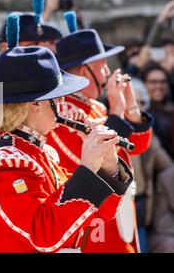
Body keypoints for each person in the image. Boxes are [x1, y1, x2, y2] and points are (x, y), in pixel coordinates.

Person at [0, 15, 133, 252]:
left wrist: (107, 166)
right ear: (34, 104)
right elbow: (44, 235)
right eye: (55, 96)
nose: (63, 101)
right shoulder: (6, 164)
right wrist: (86, 168)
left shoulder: (39, 153)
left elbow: (100, 213)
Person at [46, 13, 153, 252]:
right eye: (102, 66)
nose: (107, 73)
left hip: (118, 209)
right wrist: (116, 112)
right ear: (85, 71)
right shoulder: (64, 111)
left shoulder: (95, 106)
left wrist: (130, 107)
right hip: (95, 219)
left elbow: (138, 146)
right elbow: (91, 159)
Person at [129, 78, 174, 252]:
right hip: (119, 206)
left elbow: (167, 166)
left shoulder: (149, 136)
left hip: (141, 208)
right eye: (134, 102)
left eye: (142, 103)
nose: (139, 107)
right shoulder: (112, 129)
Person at [141, 64, 174, 158]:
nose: (159, 86)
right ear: (143, 84)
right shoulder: (142, 114)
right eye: (153, 82)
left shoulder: (171, 107)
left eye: (163, 81)